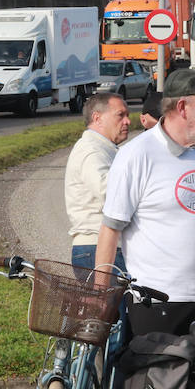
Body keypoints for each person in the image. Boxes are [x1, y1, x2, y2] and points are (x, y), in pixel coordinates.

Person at [95, 68, 195, 339]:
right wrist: (101, 297)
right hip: (159, 304)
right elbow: (110, 231)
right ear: (182, 107)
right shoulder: (137, 155)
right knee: (158, 381)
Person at [64, 92, 132, 270]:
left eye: (127, 115)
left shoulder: (106, 149)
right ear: (97, 118)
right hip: (97, 248)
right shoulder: (92, 151)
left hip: (104, 247)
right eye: (120, 115)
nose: (127, 121)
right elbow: (110, 194)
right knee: (114, 299)